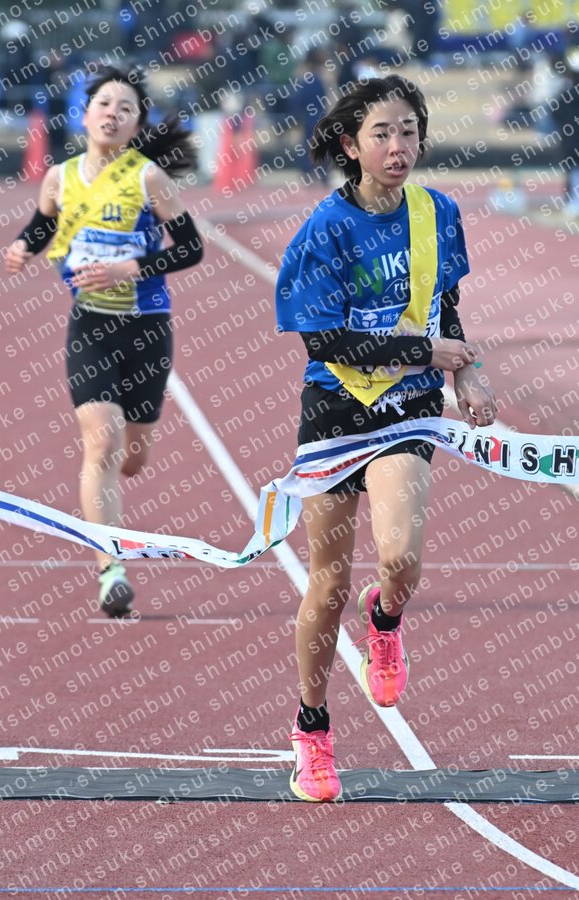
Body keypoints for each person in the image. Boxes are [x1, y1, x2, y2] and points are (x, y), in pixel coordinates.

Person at [275, 75, 497, 802]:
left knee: (399, 559)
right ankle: (312, 730)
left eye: (408, 131)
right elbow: (323, 341)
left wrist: (467, 372)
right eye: (382, 134)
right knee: (328, 583)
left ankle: (386, 617)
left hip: (408, 408)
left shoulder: (438, 213)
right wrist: (424, 352)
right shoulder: (327, 228)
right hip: (337, 409)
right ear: (350, 145)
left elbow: (444, 306)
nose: (398, 146)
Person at [5, 65, 203, 617]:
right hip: (90, 327)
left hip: (147, 328)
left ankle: (113, 538)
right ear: (85, 113)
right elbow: (44, 223)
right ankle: (110, 568)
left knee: (132, 459)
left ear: (137, 124)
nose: (113, 113)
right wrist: (23, 247)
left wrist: (129, 268)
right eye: (104, 104)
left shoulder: (148, 179)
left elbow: (191, 248)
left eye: (126, 108)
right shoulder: (59, 177)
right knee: (101, 443)